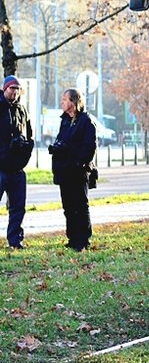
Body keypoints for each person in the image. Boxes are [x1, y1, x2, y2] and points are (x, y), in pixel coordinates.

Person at [49, 88, 97, 252]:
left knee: (80, 205)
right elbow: (63, 141)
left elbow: (90, 146)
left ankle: (83, 240)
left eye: (65, 99)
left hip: (78, 170)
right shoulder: (64, 121)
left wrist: (79, 162)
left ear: (74, 102)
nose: (62, 102)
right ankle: (72, 238)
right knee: (68, 206)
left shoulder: (86, 121)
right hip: (65, 170)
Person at [0, 76, 33, 249]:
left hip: (18, 169)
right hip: (1, 168)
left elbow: (29, 134)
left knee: (18, 208)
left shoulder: (22, 110)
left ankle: (15, 240)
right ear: (5, 88)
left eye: (17, 89)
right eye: (12, 88)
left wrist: (26, 148)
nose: (15, 91)